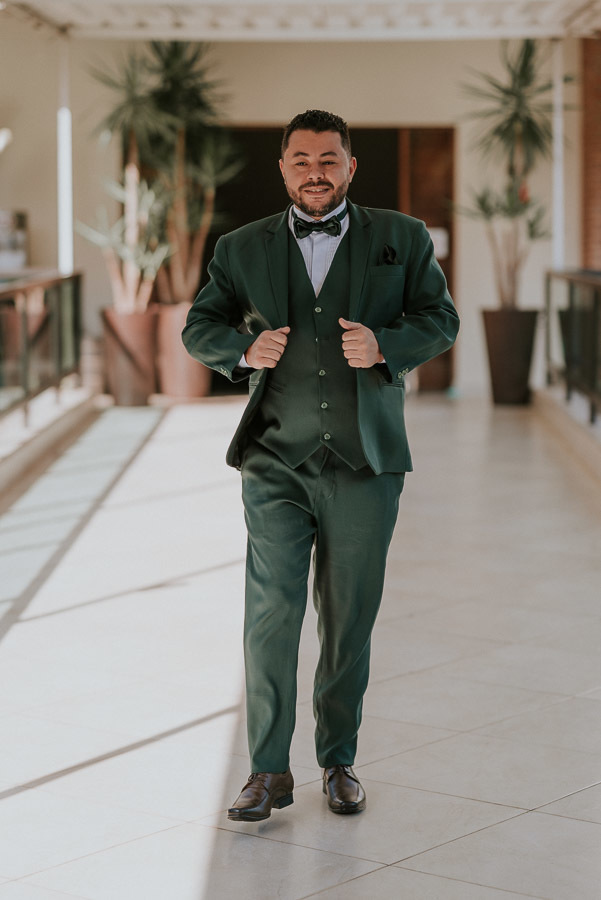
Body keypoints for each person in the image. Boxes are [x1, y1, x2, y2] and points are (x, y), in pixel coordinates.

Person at [182, 109, 459, 822]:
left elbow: (440, 318)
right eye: (301, 158)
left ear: (349, 166)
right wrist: (243, 351)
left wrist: (388, 347)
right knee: (270, 613)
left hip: (366, 461)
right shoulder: (240, 247)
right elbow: (199, 325)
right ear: (282, 168)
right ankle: (267, 771)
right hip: (274, 456)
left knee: (347, 617)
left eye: (328, 158)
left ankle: (338, 761)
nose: (315, 170)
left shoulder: (399, 237)